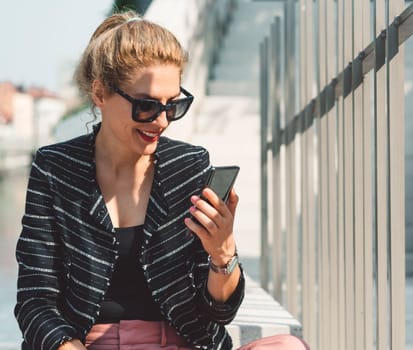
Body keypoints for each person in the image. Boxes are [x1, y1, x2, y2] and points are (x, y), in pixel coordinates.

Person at [14, 10, 309, 350]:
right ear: (99, 94)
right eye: (146, 106)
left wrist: (222, 253)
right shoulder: (56, 168)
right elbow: (35, 300)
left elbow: (219, 311)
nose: (161, 121)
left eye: (173, 106)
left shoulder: (189, 165)